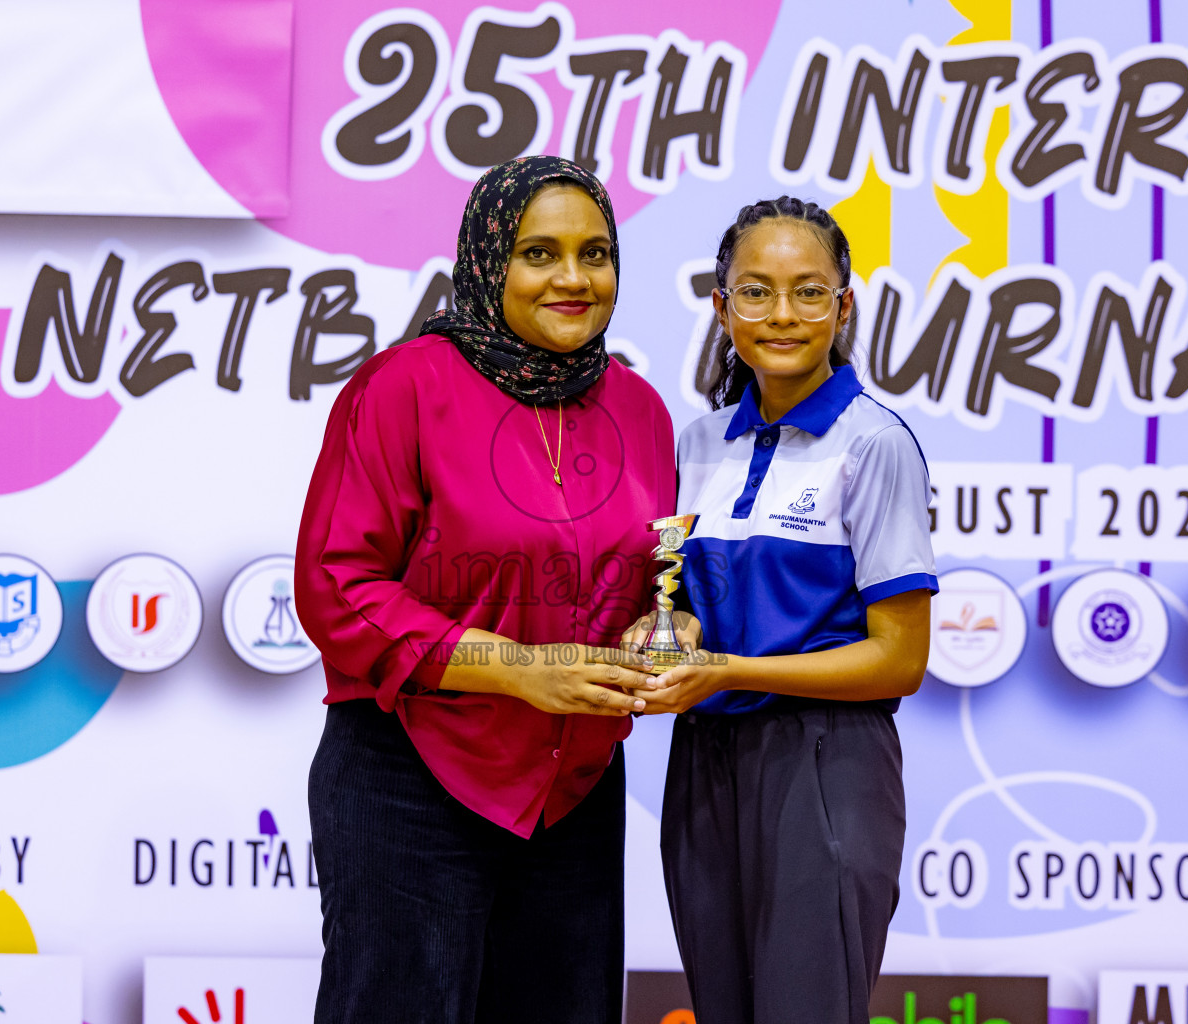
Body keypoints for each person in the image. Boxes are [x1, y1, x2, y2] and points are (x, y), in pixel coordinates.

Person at [293, 155, 675, 1024]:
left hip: (572, 791)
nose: (574, 279)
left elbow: (649, 578)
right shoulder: (404, 387)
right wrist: (517, 668)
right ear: (486, 258)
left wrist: (660, 637)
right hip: (413, 774)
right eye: (540, 253)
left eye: (596, 253)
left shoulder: (641, 410)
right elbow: (336, 583)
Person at [638, 196, 937, 1023]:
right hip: (704, 764)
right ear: (720, 306)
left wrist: (728, 670)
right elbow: (683, 608)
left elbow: (900, 658)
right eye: (755, 291)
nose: (781, 315)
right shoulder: (697, 445)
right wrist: (676, 635)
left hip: (825, 762)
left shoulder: (874, 444)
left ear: (844, 307)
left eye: (809, 292)